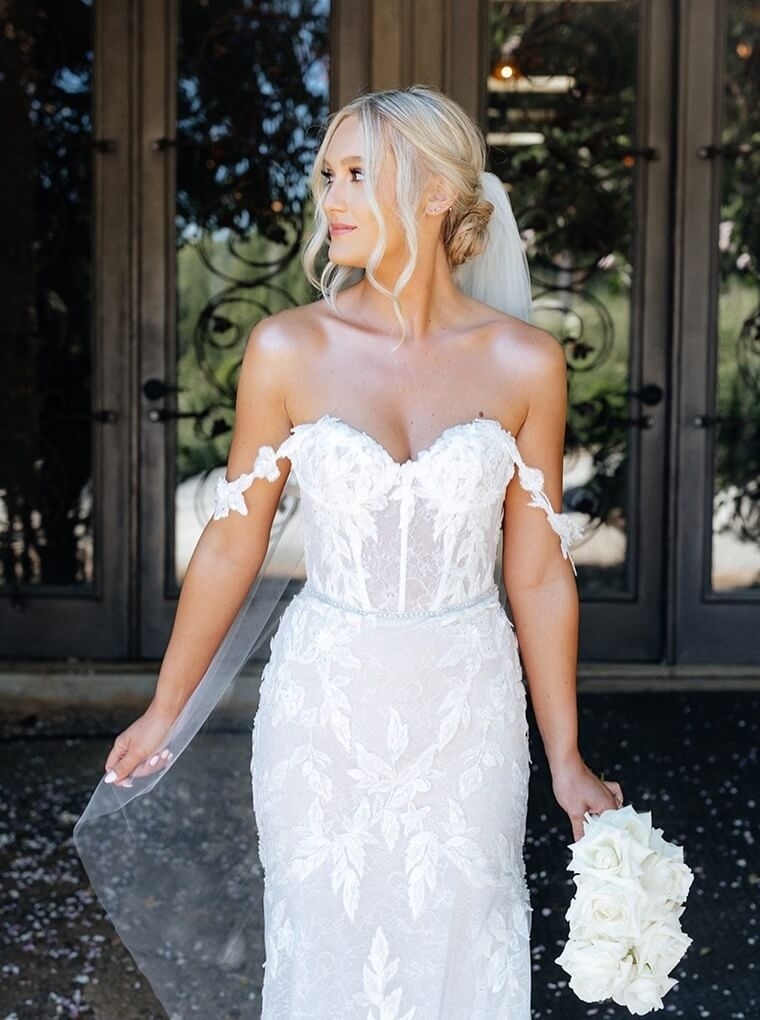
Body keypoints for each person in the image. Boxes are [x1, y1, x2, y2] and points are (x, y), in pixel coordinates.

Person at [75, 85, 622, 1019]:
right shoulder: (287, 349)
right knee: (324, 945)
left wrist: (565, 754)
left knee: (465, 935)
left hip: (467, 714)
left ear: (437, 194)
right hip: (323, 711)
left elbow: (535, 572)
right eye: (327, 173)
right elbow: (229, 544)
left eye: (358, 174)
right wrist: (167, 707)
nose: (329, 196)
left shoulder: (526, 363)